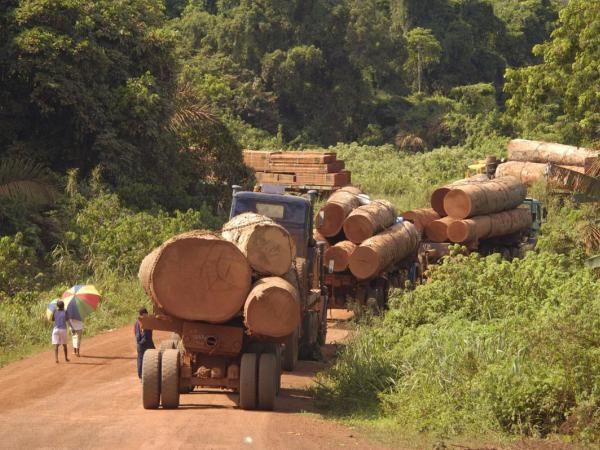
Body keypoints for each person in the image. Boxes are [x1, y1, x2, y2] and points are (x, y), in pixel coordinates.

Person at [135, 308, 155, 379]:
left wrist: (139, 342)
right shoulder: (147, 321)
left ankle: (141, 376)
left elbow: (137, 334)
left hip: (141, 343)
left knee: (141, 359)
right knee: (153, 358)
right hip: (146, 342)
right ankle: (151, 375)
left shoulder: (137, 321)